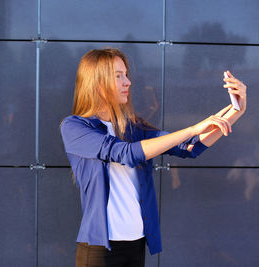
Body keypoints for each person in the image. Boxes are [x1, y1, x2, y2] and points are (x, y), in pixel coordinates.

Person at [60, 48, 247, 267]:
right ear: (96, 81)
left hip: (136, 245)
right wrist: (193, 128)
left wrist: (237, 110)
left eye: (126, 74)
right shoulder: (75, 127)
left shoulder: (132, 128)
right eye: (118, 75)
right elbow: (125, 153)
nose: (128, 82)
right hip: (99, 251)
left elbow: (190, 147)